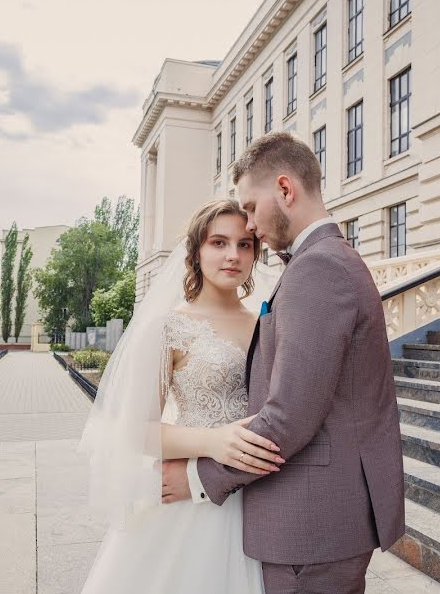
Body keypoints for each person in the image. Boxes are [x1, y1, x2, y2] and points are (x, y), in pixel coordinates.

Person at [161, 131, 405, 594]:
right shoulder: (324, 261)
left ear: (286, 190)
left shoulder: (318, 268)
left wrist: (196, 475)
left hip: (310, 524)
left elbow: (289, 417)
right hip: (308, 515)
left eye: (251, 208)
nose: (249, 227)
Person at [79, 198, 280, 593]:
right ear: (196, 251)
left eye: (245, 244)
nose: (233, 255)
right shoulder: (168, 327)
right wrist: (213, 441)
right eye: (218, 243)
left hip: (262, 496)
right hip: (191, 499)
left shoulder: (268, 322)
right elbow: (133, 430)